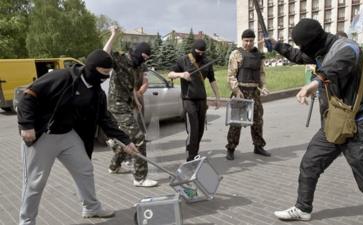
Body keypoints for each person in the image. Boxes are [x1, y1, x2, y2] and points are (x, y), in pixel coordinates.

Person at [269, 19, 363, 225]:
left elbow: (336, 66)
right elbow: (298, 56)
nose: (304, 50)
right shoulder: (321, 48)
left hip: (359, 126)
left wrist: (315, 83)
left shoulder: (347, 47)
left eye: (304, 46)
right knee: (310, 164)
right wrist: (276, 45)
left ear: (314, 41)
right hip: (333, 124)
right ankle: (303, 208)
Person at [17, 49, 138, 225]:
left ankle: (91, 208)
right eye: (104, 73)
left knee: (85, 169)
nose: (105, 77)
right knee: (35, 183)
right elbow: (28, 96)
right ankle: (26, 221)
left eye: (108, 74)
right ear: (91, 68)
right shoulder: (63, 77)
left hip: (68, 135)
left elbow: (104, 119)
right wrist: (26, 125)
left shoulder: (97, 93)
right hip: (43, 135)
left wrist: (125, 141)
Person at [103, 26, 158, 187]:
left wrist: (137, 101)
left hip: (127, 103)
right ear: (137, 52)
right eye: (143, 57)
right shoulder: (121, 59)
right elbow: (103, 54)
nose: (144, 61)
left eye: (147, 59)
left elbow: (132, 86)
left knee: (124, 139)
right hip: (116, 104)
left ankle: (114, 166)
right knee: (139, 138)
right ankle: (140, 178)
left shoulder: (138, 66)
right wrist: (114, 35)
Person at [168, 39, 222, 161]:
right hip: (189, 99)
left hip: (202, 100)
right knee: (194, 129)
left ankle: (192, 150)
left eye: (203, 52)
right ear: (193, 50)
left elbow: (212, 80)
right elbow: (170, 74)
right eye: (198, 52)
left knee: (201, 130)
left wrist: (218, 98)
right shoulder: (183, 60)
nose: (200, 55)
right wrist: (181, 75)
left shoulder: (207, 62)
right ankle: (191, 157)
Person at [225, 29, 271, 160]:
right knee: (236, 122)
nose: (249, 43)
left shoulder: (259, 54)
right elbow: (231, 75)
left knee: (258, 120)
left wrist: (263, 87)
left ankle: (258, 146)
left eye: (251, 40)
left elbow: (262, 73)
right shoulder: (236, 54)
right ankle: (231, 148)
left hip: (254, 91)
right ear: (242, 40)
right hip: (241, 91)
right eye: (246, 41)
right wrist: (236, 90)